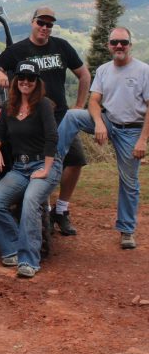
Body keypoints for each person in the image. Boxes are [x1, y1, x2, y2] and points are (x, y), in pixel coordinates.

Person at [0, 6, 91, 236]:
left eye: (49, 24)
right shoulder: (17, 50)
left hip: (60, 116)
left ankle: (61, 210)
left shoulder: (61, 46)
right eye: (41, 23)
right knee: (36, 161)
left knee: (75, 160)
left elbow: (84, 74)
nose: (44, 28)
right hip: (30, 118)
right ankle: (44, 207)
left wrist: (79, 107)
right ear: (32, 22)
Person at [57, 27, 149, 250]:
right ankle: (54, 162)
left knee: (129, 182)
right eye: (115, 42)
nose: (119, 46)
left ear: (130, 45)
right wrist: (99, 123)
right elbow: (95, 101)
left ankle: (127, 230)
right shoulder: (104, 70)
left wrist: (143, 140)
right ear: (109, 45)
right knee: (72, 116)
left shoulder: (143, 70)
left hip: (132, 130)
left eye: (123, 42)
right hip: (108, 121)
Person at [0, 60, 62, 278]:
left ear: (37, 82)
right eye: (22, 78)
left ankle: (29, 261)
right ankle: (14, 249)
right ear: (16, 80)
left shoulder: (44, 105)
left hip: (45, 163)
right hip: (20, 167)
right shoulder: (9, 106)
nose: (26, 82)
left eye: (31, 79)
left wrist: (46, 169)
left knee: (30, 201)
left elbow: (52, 137)